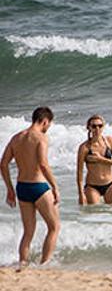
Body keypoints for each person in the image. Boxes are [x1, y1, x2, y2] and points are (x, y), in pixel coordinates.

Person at [0, 107, 61, 270]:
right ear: (45, 121)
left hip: (22, 188)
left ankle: (23, 263)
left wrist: (10, 189)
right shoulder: (41, 137)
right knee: (54, 227)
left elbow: (3, 164)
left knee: (28, 232)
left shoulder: (16, 138)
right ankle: (45, 264)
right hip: (39, 186)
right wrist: (55, 186)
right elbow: (43, 164)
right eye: (49, 124)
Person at [76, 115, 112, 205]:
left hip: (110, 184)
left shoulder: (109, 141)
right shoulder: (84, 148)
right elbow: (79, 173)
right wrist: (81, 194)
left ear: (103, 127)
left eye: (100, 126)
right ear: (89, 128)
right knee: (94, 215)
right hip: (92, 187)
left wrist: (100, 159)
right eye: (94, 126)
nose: (97, 129)